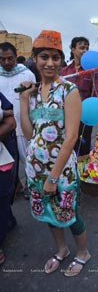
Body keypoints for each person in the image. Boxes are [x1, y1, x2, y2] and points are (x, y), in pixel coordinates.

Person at [19, 30, 90, 276]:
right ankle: (62, 250)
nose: (50, 63)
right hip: (35, 170)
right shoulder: (35, 93)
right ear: (35, 59)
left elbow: (71, 137)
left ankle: (82, 252)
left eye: (55, 57)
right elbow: (29, 135)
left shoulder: (69, 91)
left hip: (61, 173)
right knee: (49, 214)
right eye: (44, 57)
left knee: (70, 215)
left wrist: (52, 178)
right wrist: (23, 101)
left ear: (61, 60)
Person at [0, 42, 36, 199]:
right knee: (8, 162)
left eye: (10, 58)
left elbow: (34, 100)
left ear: (16, 57)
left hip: (23, 125)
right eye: (2, 59)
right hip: (4, 128)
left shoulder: (27, 74)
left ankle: (32, 186)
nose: (6, 62)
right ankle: (16, 186)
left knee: (28, 159)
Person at [60, 37, 98, 156]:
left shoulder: (93, 70)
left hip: (85, 115)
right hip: (66, 114)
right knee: (67, 143)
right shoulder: (65, 71)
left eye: (87, 48)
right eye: (81, 47)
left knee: (83, 144)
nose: (85, 50)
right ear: (73, 49)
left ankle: (83, 170)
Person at [0, 92, 18, 266]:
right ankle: (8, 220)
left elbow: (11, 121)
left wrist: (5, 114)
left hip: (3, 156)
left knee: (2, 195)